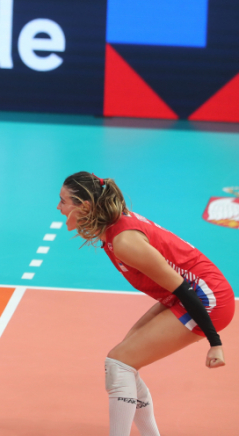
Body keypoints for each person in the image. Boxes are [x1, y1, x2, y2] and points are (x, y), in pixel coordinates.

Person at [57, 171, 234, 436]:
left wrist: (215, 343)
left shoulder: (125, 241)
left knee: (119, 363)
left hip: (207, 299)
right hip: (190, 294)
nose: (58, 207)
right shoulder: (113, 228)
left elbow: (184, 289)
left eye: (63, 201)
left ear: (85, 206)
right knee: (124, 363)